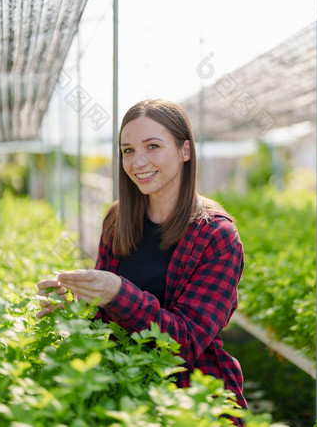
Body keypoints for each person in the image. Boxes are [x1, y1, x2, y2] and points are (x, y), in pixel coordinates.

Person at [37, 98, 247, 424]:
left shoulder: (216, 236)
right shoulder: (117, 219)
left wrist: (118, 293)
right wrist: (73, 309)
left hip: (191, 399)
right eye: (128, 150)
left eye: (152, 146)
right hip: (123, 388)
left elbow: (185, 343)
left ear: (185, 151)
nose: (138, 162)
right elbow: (106, 321)